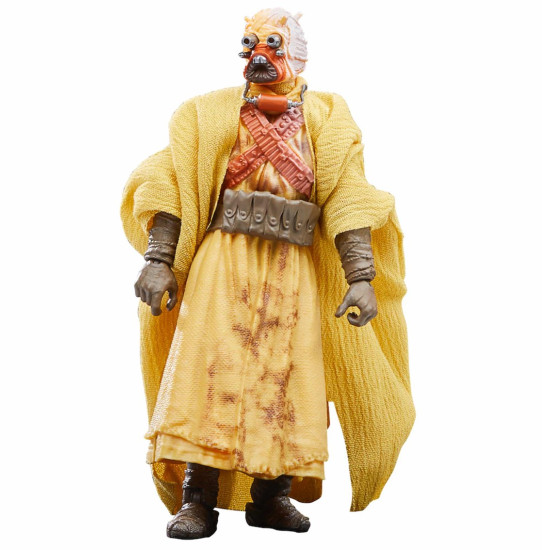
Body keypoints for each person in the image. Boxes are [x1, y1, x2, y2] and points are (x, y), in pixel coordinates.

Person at [121, 8, 414, 539]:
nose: (258, 55)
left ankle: (271, 496)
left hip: (292, 266)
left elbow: (348, 194)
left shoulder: (328, 116)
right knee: (209, 372)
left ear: (297, 53)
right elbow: (168, 183)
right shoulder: (207, 114)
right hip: (221, 261)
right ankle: (197, 498)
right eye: (249, 44)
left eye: (272, 44)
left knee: (286, 376)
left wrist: (360, 276)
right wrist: (159, 260)